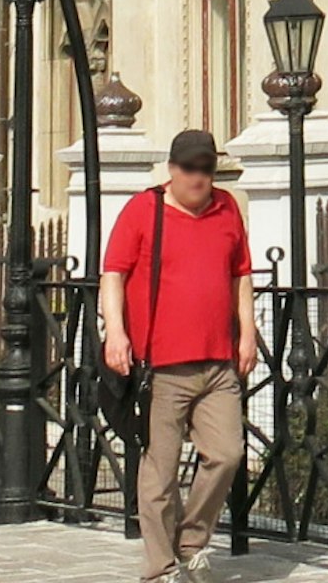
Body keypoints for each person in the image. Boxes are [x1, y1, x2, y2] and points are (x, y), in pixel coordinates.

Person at [99, 130, 258, 583]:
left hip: (217, 362)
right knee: (160, 472)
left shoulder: (227, 208)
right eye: (190, 168)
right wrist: (116, 333)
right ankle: (161, 567)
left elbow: (240, 275)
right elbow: (114, 273)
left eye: (206, 168)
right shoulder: (143, 210)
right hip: (161, 366)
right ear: (172, 169)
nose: (198, 178)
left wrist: (247, 332)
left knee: (227, 453)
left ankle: (191, 540)